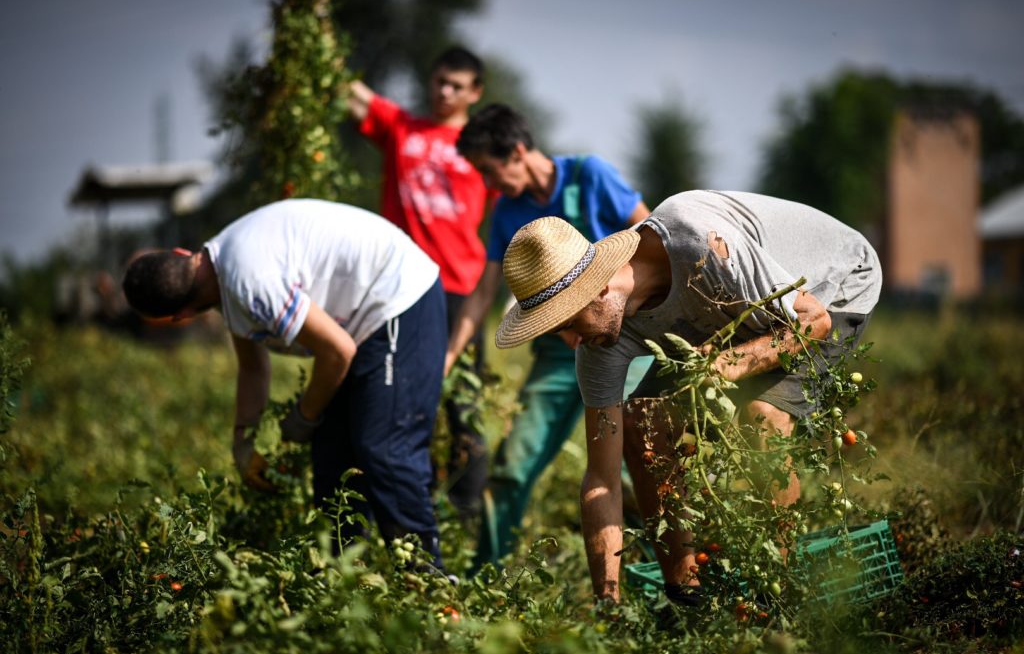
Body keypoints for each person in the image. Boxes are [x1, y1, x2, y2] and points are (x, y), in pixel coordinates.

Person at [492, 190, 883, 602]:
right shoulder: (598, 345)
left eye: (570, 322)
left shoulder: (699, 242)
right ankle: (685, 591)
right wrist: (607, 600)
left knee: (762, 416)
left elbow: (814, 321)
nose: (573, 341)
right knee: (638, 420)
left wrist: (726, 366)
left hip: (833, 283)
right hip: (729, 317)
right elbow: (602, 480)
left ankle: (776, 597)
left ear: (600, 287)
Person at [121, 199, 449, 565]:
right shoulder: (220, 270)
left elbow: (337, 352)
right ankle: (346, 583)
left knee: (385, 447)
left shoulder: (248, 280)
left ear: (180, 317)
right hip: (361, 320)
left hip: (399, 294)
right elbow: (252, 367)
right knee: (332, 461)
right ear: (183, 253)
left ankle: (430, 582)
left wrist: (303, 417)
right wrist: (243, 444)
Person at [448, 103, 651, 567]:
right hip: (558, 359)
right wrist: (448, 356)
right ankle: (486, 581)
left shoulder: (590, 174)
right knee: (511, 467)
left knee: (640, 468)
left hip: (624, 347)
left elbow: (649, 234)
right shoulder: (506, 211)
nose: (487, 184)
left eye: (489, 169)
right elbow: (484, 293)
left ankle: (654, 580)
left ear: (517, 151)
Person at [348, 45, 491, 521]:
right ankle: (411, 500)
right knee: (401, 399)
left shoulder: (481, 144)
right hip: (400, 287)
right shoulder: (402, 127)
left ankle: (465, 514)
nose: (445, 92)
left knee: (463, 405)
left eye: (456, 85)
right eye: (439, 81)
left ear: (475, 92)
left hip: (459, 286)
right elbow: (350, 94)